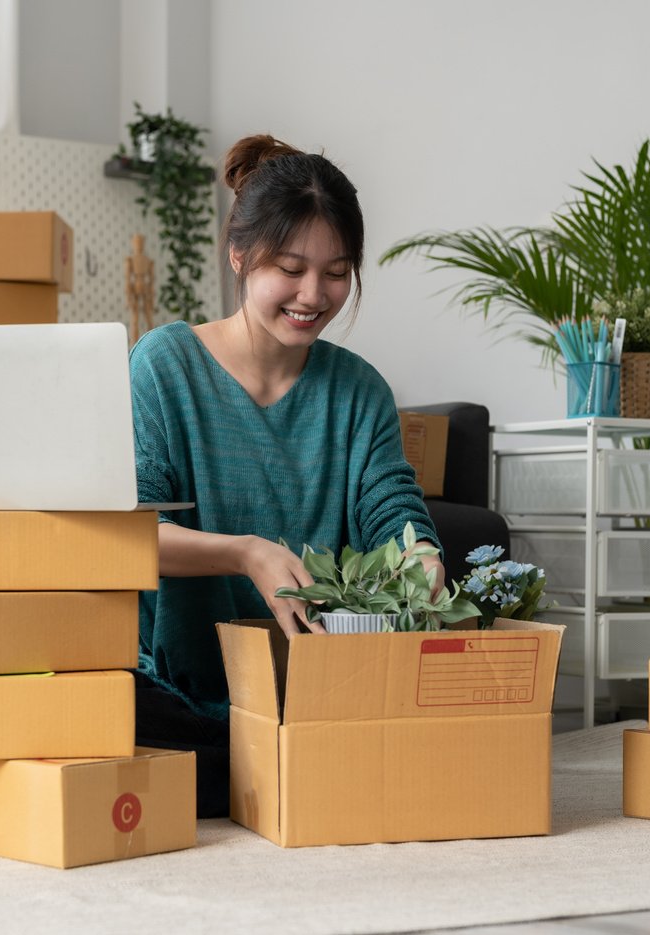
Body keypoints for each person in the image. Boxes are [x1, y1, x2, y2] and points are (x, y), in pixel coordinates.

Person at [129, 134, 442, 818]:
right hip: (177, 693)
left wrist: (420, 553)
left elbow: (393, 508)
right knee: (109, 707)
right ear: (239, 255)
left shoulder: (358, 390)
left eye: (336, 272)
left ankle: (274, 765)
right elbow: (131, 535)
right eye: (291, 268)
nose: (313, 294)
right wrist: (247, 551)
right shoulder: (164, 365)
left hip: (313, 686)